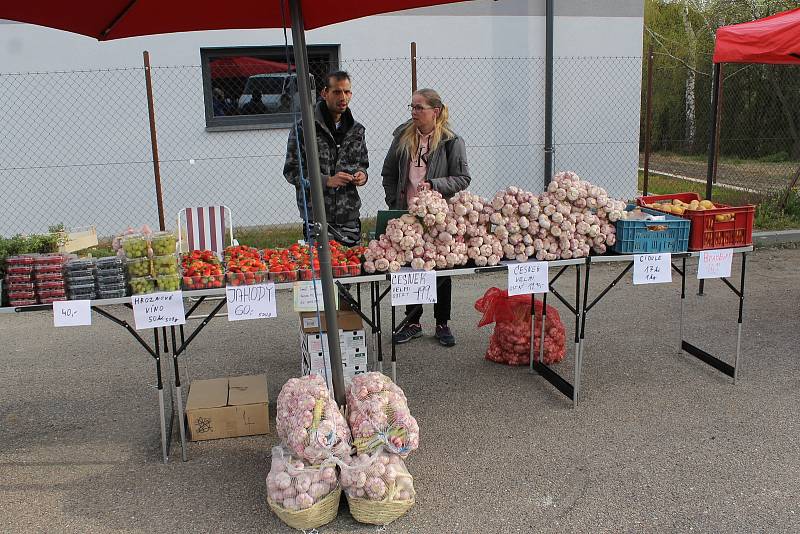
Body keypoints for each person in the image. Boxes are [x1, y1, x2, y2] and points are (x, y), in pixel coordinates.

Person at [382, 88, 470, 347]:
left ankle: (442, 323)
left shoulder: (451, 141)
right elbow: (388, 172)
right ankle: (412, 322)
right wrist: (393, 201)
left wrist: (435, 185)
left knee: (441, 268)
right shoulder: (402, 136)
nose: (414, 112)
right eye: (412, 107)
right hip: (406, 215)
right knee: (410, 268)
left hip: (437, 215)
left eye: (419, 107)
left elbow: (463, 178)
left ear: (436, 111)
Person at [283, 71, 368, 247]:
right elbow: (292, 171)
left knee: (350, 267)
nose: (343, 97)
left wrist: (362, 175)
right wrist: (326, 181)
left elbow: (362, 164)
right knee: (322, 267)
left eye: (347, 92)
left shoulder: (357, 130)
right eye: (337, 92)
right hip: (318, 216)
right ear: (324, 93)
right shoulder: (304, 128)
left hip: (349, 216)